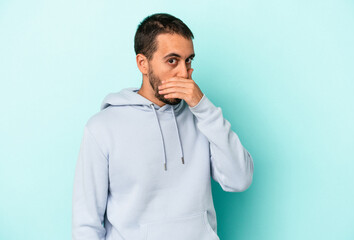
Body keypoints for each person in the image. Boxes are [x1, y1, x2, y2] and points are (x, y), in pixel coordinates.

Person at [72, 13, 254, 240]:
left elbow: (240, 179)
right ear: (143, 63)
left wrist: (203, 107)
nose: (184, 72)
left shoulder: (203, 119)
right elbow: (86, 224)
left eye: (188, 61)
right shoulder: (102, 128)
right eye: (172, 61)